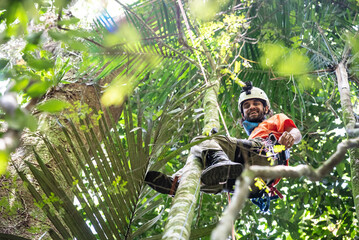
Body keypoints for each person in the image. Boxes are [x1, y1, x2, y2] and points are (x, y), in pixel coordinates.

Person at [145, 83, 302, 197]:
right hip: (256, 185)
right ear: (243, 114)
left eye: (256, 103)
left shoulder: (275, 119)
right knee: (206, 172)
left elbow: (296, 132)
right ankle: (177, 184)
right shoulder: (252, 134)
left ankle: (219, 162)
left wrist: (290, 137)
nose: (251, 107)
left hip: (266, 154)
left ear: (266, 108)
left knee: (203, 141)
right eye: (246, 106)